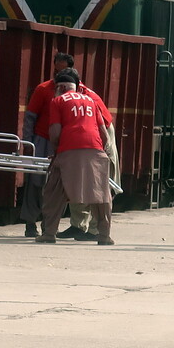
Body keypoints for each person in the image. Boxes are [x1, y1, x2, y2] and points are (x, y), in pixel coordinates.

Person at [36, 69, 114, 245]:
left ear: (61, 88)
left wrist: (56, 152)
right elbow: (104, 133)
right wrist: (103, 152)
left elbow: (55, 132)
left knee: (54, 192)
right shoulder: (91, 101)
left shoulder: (57, 101)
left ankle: (49, 233)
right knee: (101, 195)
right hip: (95, 150)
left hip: (68, 150)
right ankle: (104, 236)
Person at [55, 70, 119, 241]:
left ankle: (95, 230)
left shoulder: (86, 96)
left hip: (100, 134)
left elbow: (103, 127)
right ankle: (79, 225)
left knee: (97, 184)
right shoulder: (70, 94)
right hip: (90, 135)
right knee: (78, 181)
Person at [20, 52, 74, 237]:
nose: (58, 74)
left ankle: (49, 224)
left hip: (64, 143)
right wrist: (28, 142)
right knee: (35, 183)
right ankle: (30, 223)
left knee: (57, 185)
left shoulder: (77, 92)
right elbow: (30, 117)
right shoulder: (43, 89)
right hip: (42, 141)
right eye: (56, 70)